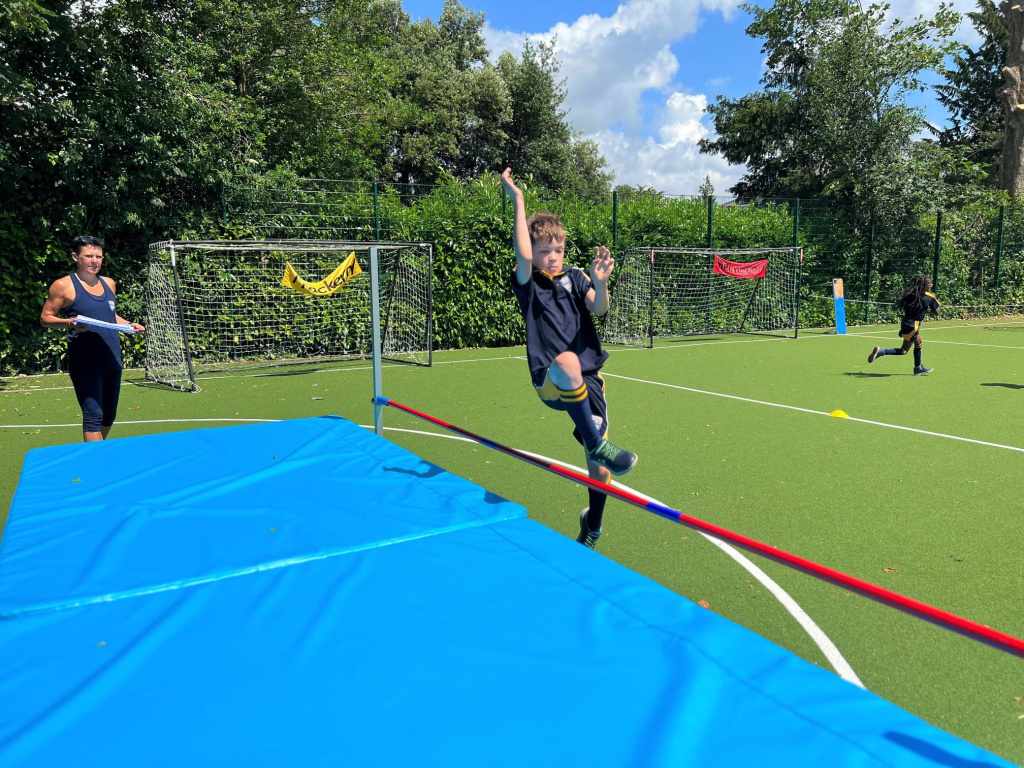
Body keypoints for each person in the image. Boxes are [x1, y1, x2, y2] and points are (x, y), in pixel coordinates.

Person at [501, 167, 637, 551]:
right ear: (533, 253)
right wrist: (518, 200)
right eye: (544, 251)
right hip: (551, 379)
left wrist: (601, 282)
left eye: (557, 250)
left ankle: (592, 527)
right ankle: (596, 442)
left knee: (600, 469)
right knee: (566, 361)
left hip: (589, 381)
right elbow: (522, 254)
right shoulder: (529, 283)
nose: (552, 257)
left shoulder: (576, 277)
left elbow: (600, 308)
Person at [40, 235, 145, 441]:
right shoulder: (63, 285)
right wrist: (69, 323)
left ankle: (96, 453)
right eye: (89, 256)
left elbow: (109, 315)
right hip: (85, 360)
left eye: (99, 257)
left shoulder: (109, 283)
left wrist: (130, 325)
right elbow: (45, 318)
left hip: (112, 357)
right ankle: (98, 458)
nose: (94, 261)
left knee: (109, 416)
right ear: (75, 257)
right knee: (93, 416)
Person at [867, 274, 939, 375]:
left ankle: (918, 368)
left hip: (905, 323)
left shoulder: (909, 294)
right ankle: (881, 351)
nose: (931, 285)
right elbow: (937, 312)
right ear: (924, 285)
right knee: (904, 350)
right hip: (913, 326)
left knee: (919, 343)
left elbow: (896, 306)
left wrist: (898, 304)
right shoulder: (929, 297)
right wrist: (935, 298)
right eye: (929, 284)